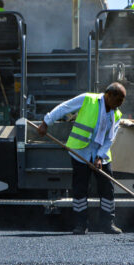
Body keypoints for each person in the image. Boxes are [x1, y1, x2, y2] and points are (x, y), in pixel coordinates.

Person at [37, 83, 126, 235]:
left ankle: (107, 224)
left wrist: (99, 157)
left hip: (101, 156)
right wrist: (46, 122)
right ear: (109, 95)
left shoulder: (116, 114)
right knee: (80, 189)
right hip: (81, 152)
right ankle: (80, 224)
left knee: (107, 189)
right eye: (117, 101)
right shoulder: (87, 99)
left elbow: (109, 139)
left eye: (120, 103)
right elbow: (65, 107)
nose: (118, 106)